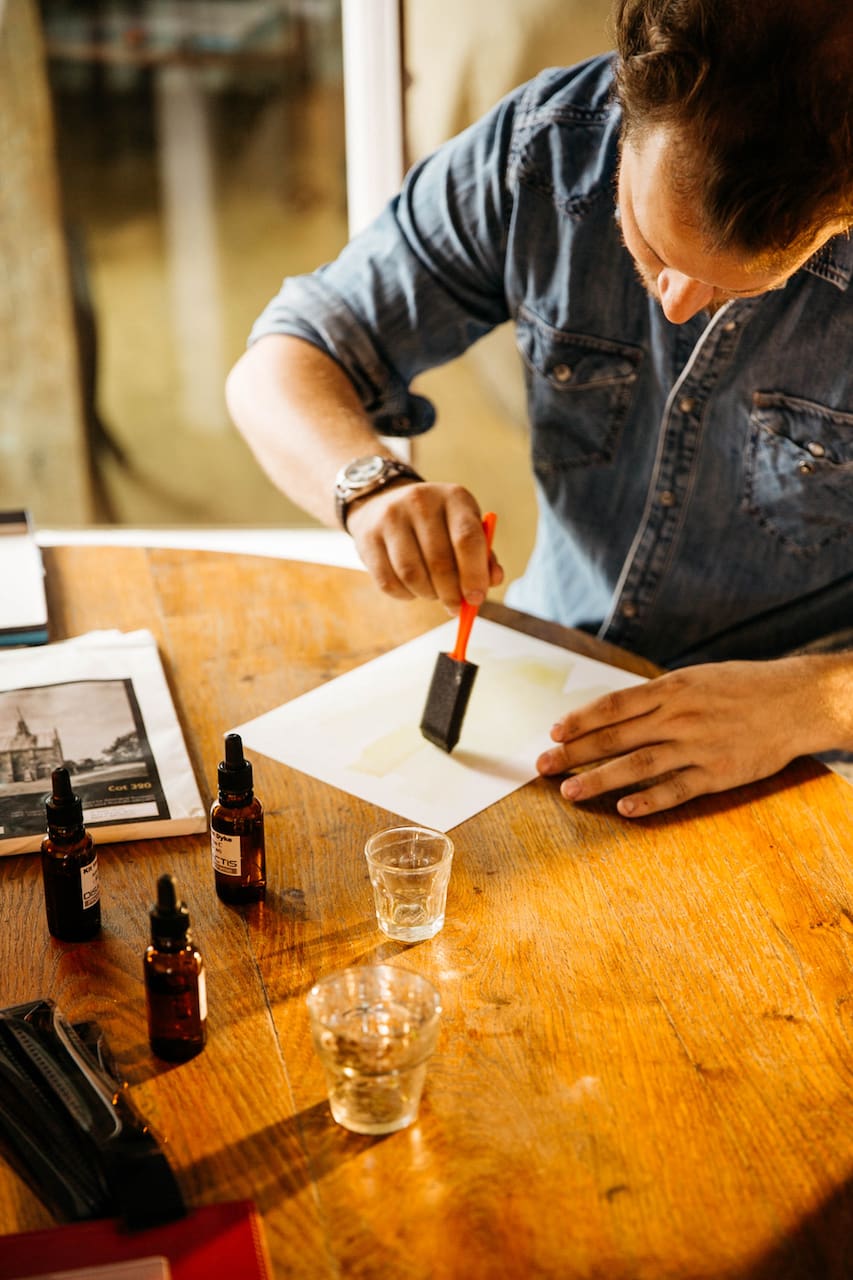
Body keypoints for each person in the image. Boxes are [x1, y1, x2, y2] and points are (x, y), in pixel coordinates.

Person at [226, 0, 853, 818]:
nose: (674, 304)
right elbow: (285, 356)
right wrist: (367, 485)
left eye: (744, 286)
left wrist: (813, 701)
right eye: (655, 246)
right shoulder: (546, 148)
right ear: (628, 105)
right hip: (548, 694)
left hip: (795, 759)